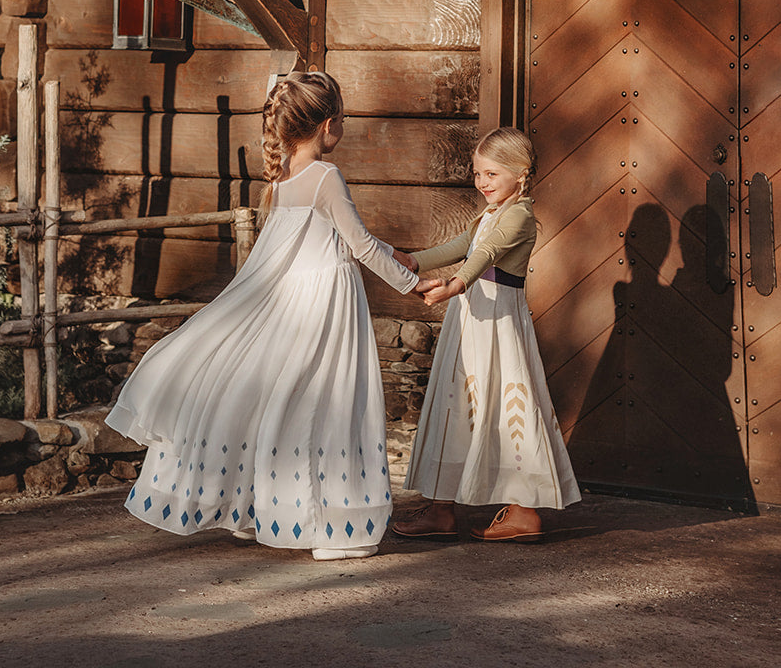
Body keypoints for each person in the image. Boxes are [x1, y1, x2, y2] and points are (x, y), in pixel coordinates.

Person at [105, 70, 421, 560]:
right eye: (343, 120)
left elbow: (337, 238)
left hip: (291, 301)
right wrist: (416, 286)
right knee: (327, 404)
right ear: (327, 125)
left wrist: (398, 253)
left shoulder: (284, 176)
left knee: (280, 402)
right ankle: (333, 529)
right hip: (325, 303)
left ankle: (263, 512)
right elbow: (358, 245)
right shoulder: (325, 176)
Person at [392, 127, 580, 542]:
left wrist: (455, 285)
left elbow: (486, 253)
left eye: (492, 174)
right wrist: (410, 260)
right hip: (471, 323)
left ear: (522, 173)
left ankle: (524, 510)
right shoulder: (491, 213)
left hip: (497, 324)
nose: (482, 183)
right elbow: (463, 244)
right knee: (456, 404)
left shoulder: (519, 216)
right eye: (477, 174)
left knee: (506, 402)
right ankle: (442, 509)